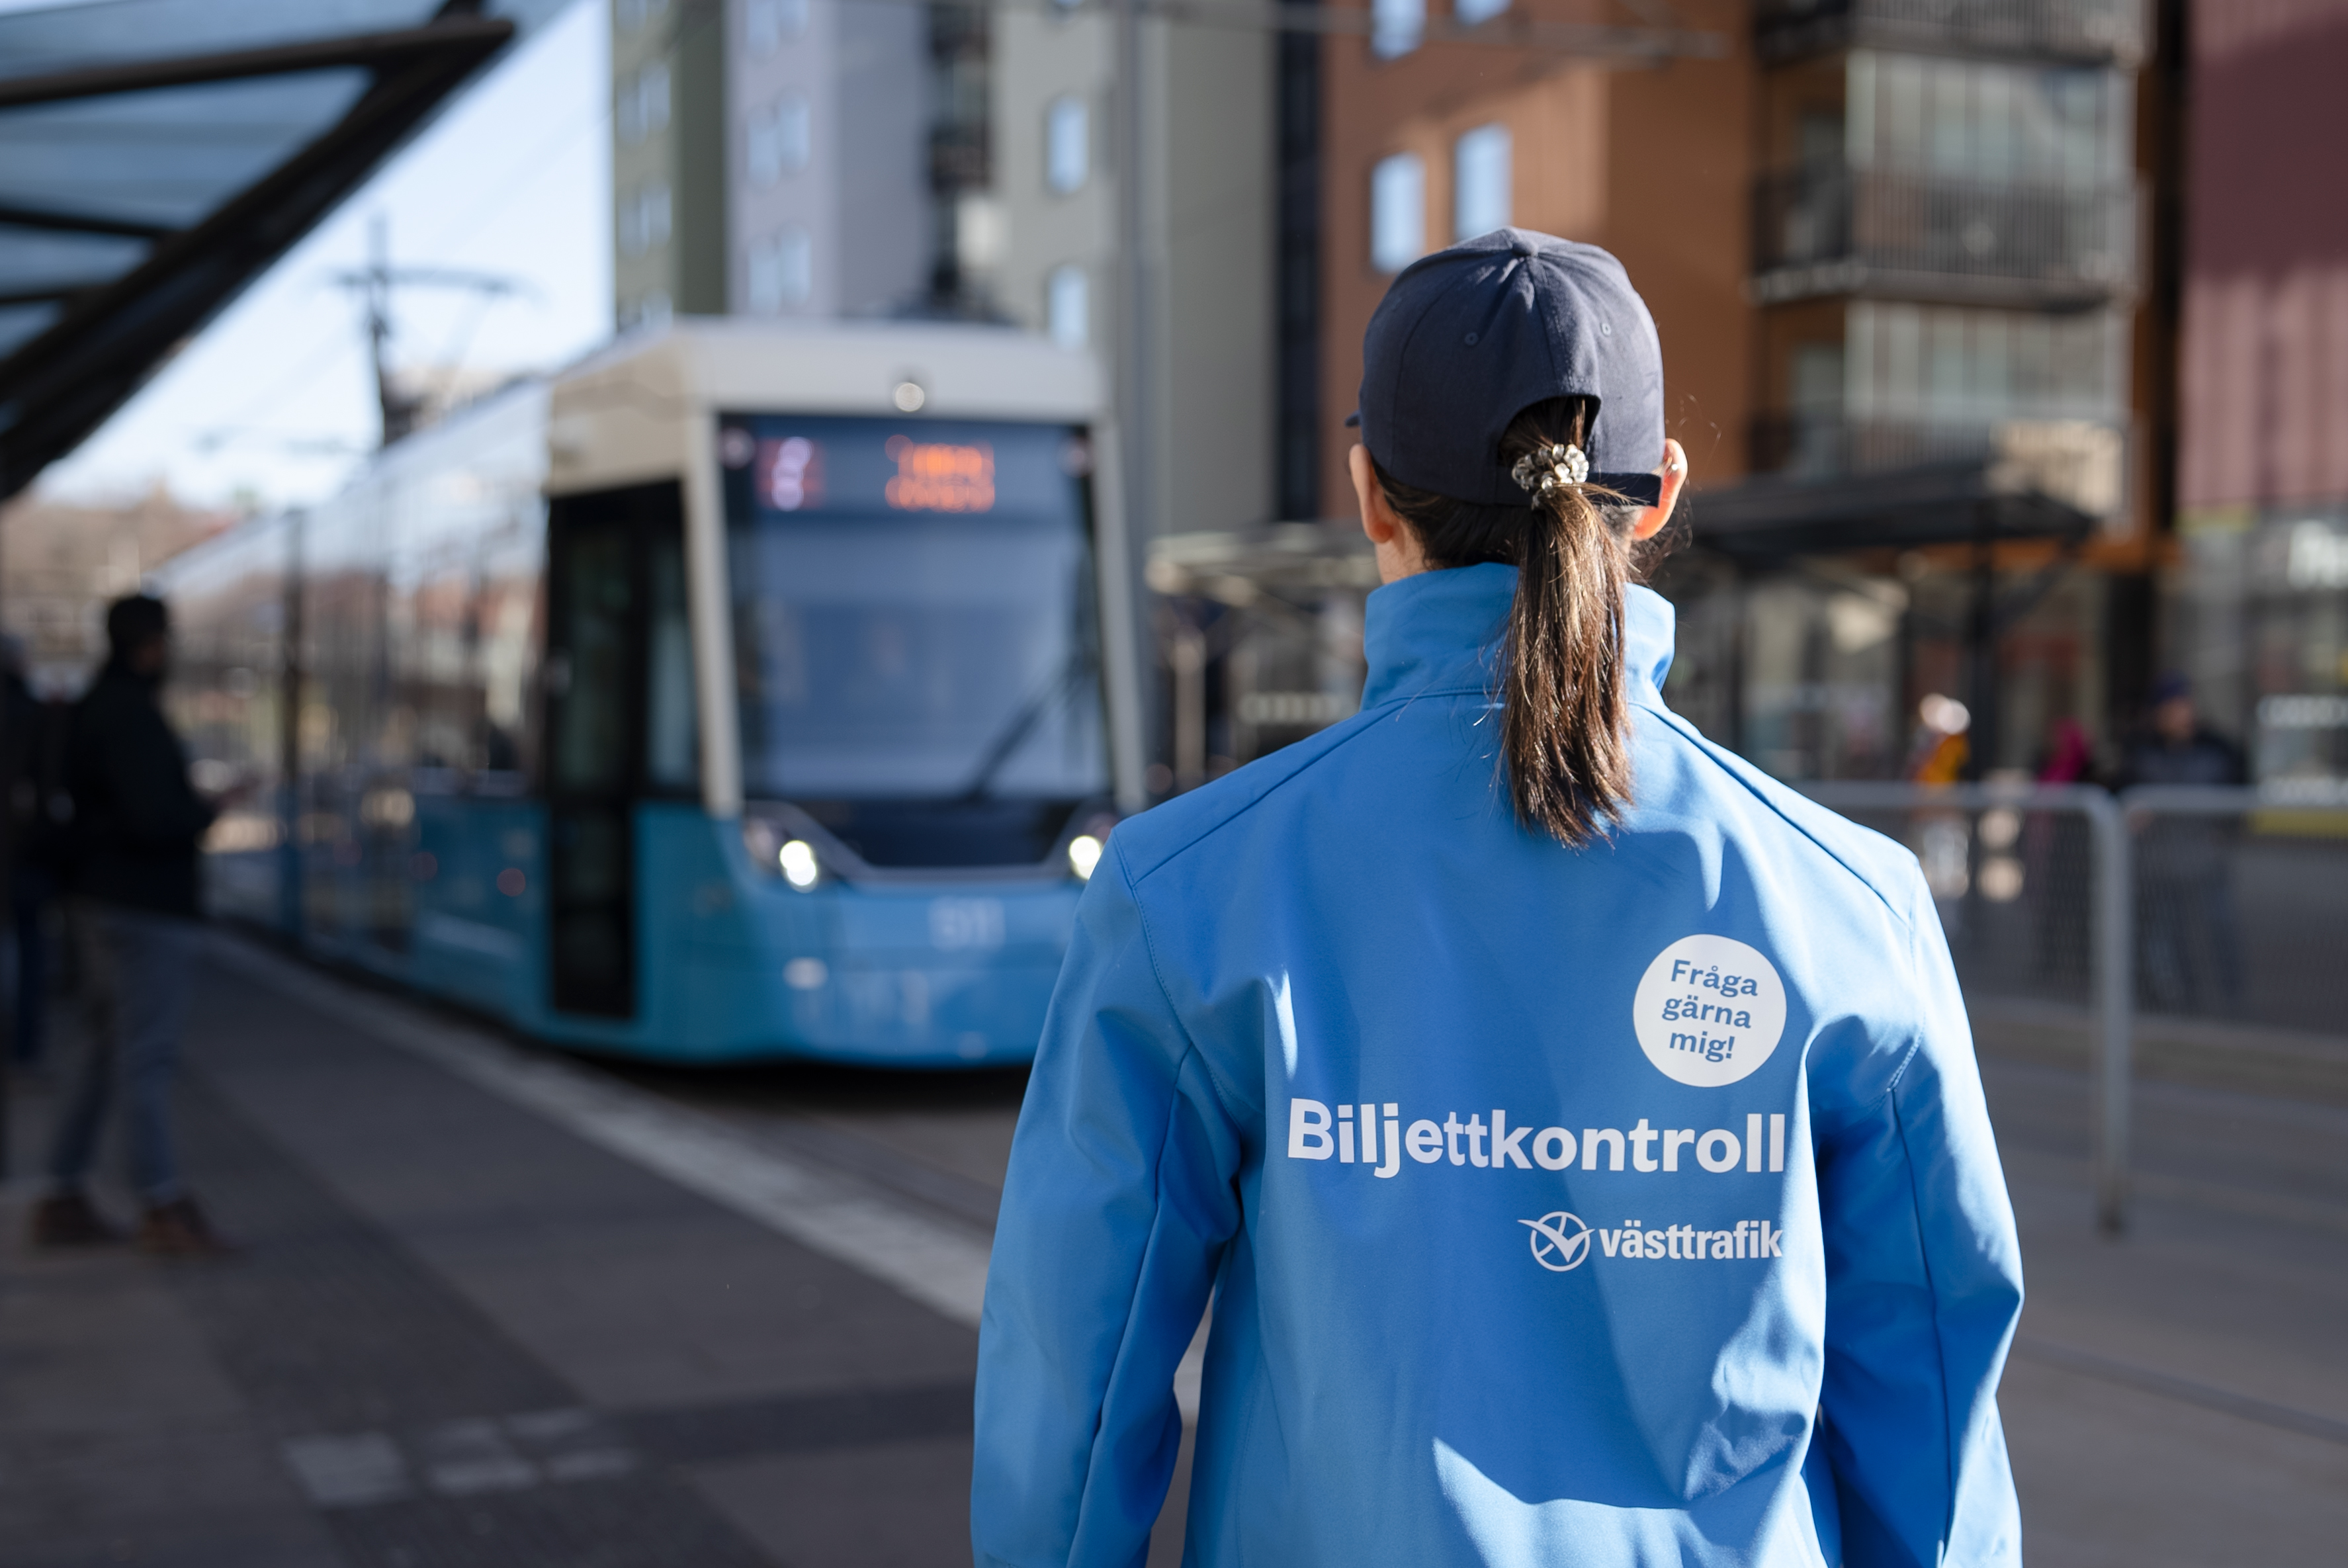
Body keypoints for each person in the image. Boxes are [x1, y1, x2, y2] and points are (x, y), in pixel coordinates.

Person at [975, 232, 2022, 1567]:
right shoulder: (1847, 901)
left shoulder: (1190, 887)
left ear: (1367, 492)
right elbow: (1926, 1388)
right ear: (1657, 496)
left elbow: (1076, 1360)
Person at [27, 593, 232, 1255]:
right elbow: (156, 819)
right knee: (146, 1056)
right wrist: (209, 810)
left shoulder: (90, 707)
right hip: (147, 907)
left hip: (96, 900)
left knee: (104, 1052)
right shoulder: (133, 716)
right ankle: (162, 1204)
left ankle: (63, 1193)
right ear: (153, 644)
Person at [2121, 674, 2245, 1015]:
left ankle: (2233, 999)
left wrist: (2229, 827)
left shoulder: (2217, 748)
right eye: (2173, 707)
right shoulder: (2142, 750)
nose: (2181, 713)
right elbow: (2123, 794)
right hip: (2162, 861)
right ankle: (2186, 1001)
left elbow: (2239, 791)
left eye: (2185, 705)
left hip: (2205, 857)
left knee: (2219, 929)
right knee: (2173, 935)